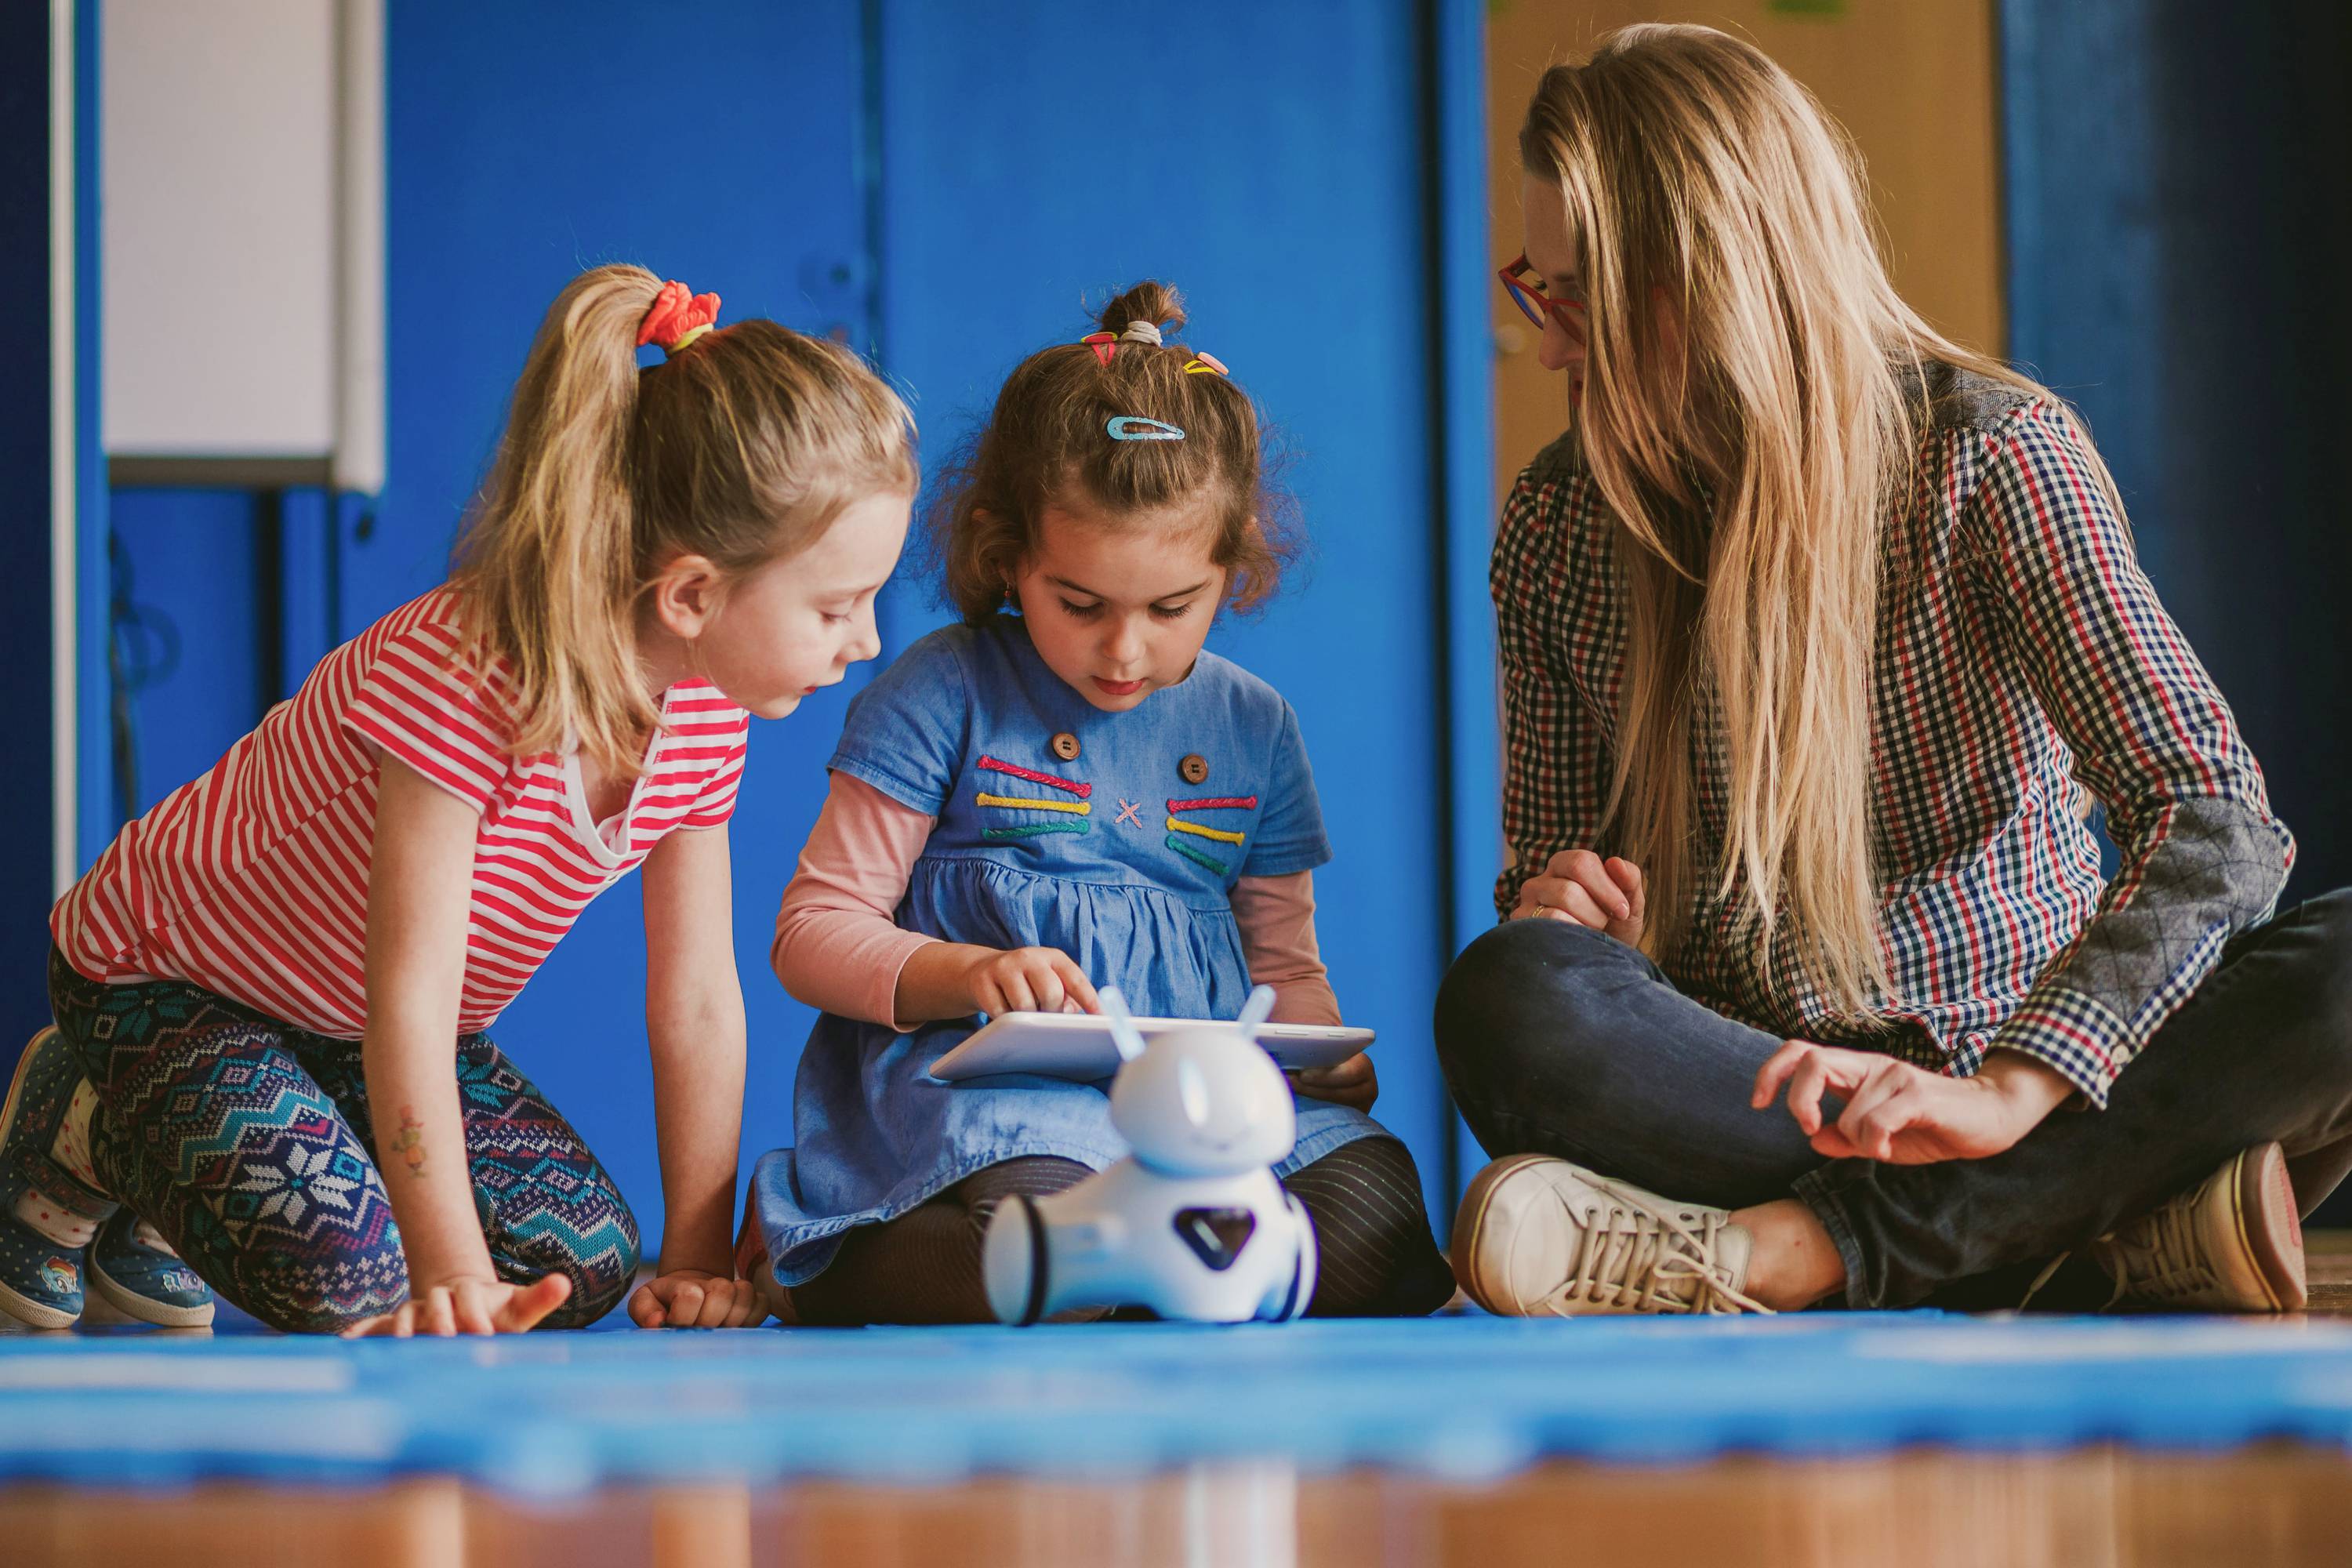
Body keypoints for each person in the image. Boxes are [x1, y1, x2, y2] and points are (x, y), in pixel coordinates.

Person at [1438, 24, 2352, 1319]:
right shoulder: (1554, 525)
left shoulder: (1993, 456)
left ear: (1716, 277)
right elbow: (1555, 926)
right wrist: (1572, 915)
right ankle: (2089, 1230)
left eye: (1581, 297)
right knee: (1507, 997)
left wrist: (2010, 1091)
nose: (1548, 347)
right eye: (1540, 287)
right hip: (1764, 1099)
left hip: (2020, 1071)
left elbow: (2213, 817)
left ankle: (1798, 1254)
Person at [0, 266, 916, 1335]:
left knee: (582, 1265)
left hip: (345, 1023)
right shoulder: (465, 677)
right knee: (354, 1284)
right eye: (838, 608)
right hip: (173, 983)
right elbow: (413, 997)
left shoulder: (706, 710)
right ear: (692, 595)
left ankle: (222, 1154)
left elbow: (700, 999)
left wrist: (697, 1258)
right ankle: (85, 1123)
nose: (867, 641)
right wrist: (446, 1274)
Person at [740, 283, 1456, 1324]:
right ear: (1008, 556)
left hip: (1202, 1107)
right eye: (1079, 605)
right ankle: (824, 1262)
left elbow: (1286, 966)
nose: (1123, 650)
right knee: (1052, 1230)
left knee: (1380, 1234)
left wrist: (1325, 1057)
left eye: (1172, 608)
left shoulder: (1255, 725)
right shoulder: (945, 690)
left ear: (1233, 565)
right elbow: (813, 933)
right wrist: (968, 973)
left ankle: (1141, 1274)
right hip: (995, 1107)